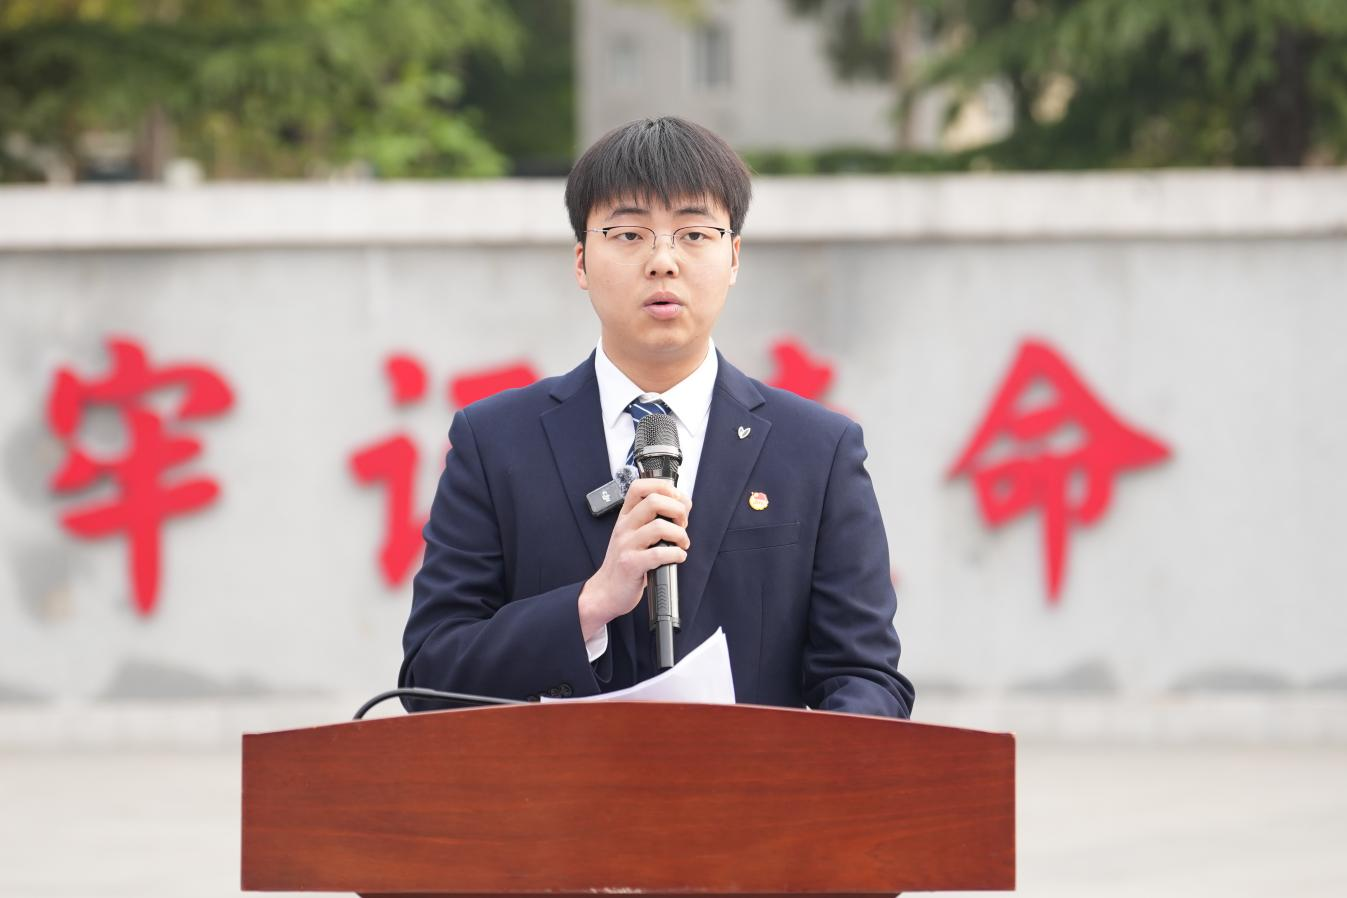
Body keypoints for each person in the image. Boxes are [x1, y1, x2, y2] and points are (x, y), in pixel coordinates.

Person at [400, 117, 914, 718]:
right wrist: (588, 606)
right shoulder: (495, 444)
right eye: (628, 234)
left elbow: (866, 676)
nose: (663, 261)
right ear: (581, 262)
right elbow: (430, 675)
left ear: (733, 257)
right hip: (560, 781)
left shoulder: (817, 451)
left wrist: (790, 769)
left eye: (694, 234)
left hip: (750, 781)